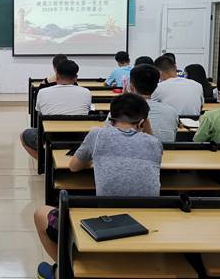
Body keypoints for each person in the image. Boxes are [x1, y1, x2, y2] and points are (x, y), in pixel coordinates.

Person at [34, 93, 162, 278]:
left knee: (40, 213)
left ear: (111, 117)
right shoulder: (155, 143)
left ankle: (64, 270)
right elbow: (150, 143)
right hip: (151, 221)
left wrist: (95, 156)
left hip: (109, 224)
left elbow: (73, 167)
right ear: (142, 122)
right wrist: (145, 125)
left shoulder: (98, 134)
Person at [20, 60, 91, 160]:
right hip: (79, 139)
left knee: (24, 135)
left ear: (56, 76)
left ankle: (45, 162)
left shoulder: (43, 92)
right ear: (76, 78)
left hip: (51, 137)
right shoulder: (86, 92)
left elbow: (39, 112)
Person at [129, 64, 179, 142]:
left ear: (131, 86)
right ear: (156, 87)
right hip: (165, 150)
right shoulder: (172, 112)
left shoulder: (118, 111)